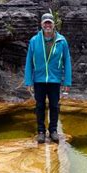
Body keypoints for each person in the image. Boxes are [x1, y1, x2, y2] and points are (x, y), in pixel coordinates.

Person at [24, 13, 72, 144]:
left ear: (54, 24)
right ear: (41, 25)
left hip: (54, 80)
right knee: (39, 106)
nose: (47, 25)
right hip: (39, 80)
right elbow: (29, 61)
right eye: (45, 23)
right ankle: (40, 131)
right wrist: (28, 81)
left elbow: (67, 61)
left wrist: (67, 81)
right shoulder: (34, 41)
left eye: (49, 22)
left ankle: (53, 130)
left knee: (54, 106)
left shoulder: (61, 41)